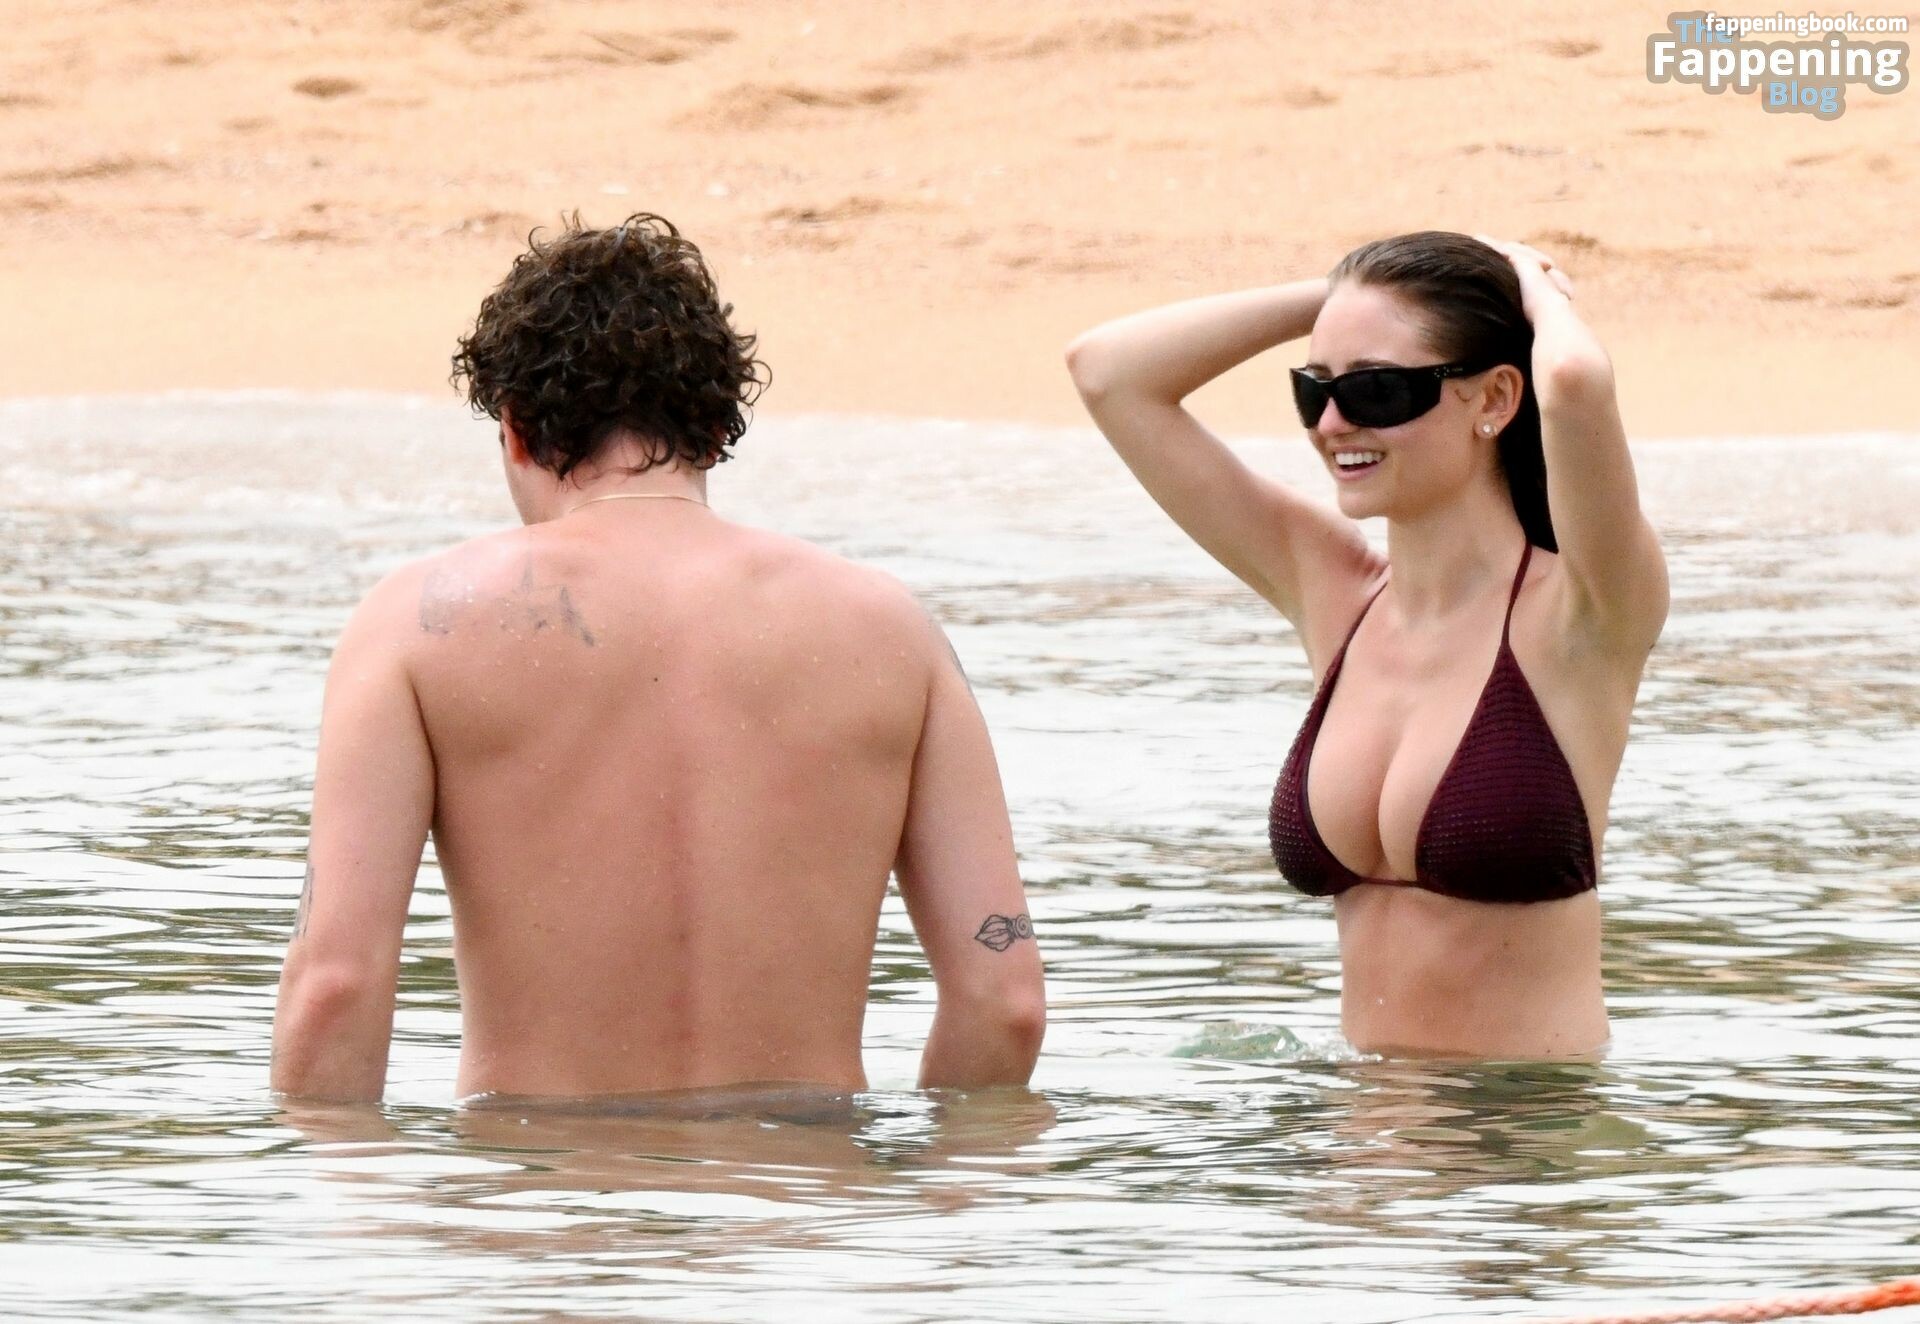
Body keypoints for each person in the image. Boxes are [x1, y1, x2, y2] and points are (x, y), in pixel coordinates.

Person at [271, 213, 1045, 1102]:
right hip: (806, 1189)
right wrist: (931, 1180)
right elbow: (1005, 1003)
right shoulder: (889, 629)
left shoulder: (416, 624)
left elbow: (334, 991)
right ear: (715, 428)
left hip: (543, 1184)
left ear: (516, 430)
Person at [1065, 231, 1666, 1059]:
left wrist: (1529, 284)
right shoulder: (1334, 596)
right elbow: (1109, 372)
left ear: (1494, 398)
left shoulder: (1585, 612)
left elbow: (1571, 379)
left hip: (1528, 1133)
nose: (1333, 423)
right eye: (1315, 390)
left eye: (1378, 389)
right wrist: (1345, 300)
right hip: (1350, 1130)